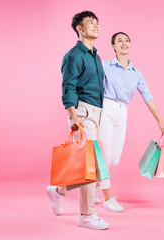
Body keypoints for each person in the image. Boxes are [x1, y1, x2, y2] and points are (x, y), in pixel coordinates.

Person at [46, 11, 109, 230]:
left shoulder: (96, 56)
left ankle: (59, 190)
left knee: (91, 166)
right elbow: (68, 86)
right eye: (91, 23)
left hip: (97, 113)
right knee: (90, 165)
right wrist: (72, 115)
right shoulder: (73, 55)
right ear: (80, 29)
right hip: (81, 112)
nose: (96, 26)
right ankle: (86, 215)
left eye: (97, 22)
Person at [95, 32, 164, 212]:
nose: (124, 43)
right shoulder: (105, 66)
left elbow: (148, 97)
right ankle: (108, 197)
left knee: (115, 159)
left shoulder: (136, 73)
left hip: (122, 111)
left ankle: (96, 185)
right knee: (104, 157)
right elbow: (94, 87)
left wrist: (160, 120)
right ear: (113, 46)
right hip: (106, 108)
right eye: (119, 40)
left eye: (127, 40)